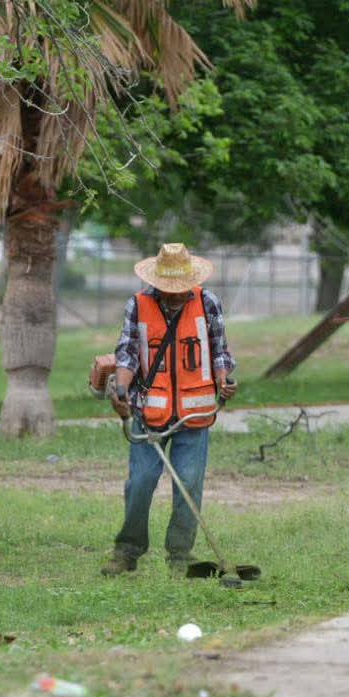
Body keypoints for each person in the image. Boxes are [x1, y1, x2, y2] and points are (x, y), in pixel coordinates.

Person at [102, 243, 237, 576]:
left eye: (181, 291)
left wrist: (225, 381)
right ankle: (127, 551)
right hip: (149, 411)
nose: (176, 296)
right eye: (169, 291)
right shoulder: (138, 304)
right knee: (141, 481)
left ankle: (180, 555)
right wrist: (121, 387)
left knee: (189, 482)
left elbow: (219, 351)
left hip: (196, 411)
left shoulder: (208, 303)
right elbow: (128, 353)